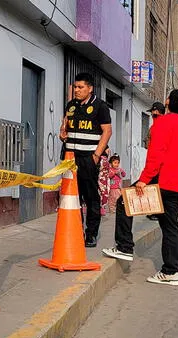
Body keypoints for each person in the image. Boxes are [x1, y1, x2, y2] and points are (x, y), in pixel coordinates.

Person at [102, 89, 178, 286]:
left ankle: (124, 247)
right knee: (170, 224)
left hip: (164, 179)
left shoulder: (162, 124)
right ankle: (171, 271)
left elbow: (156, 155)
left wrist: (144, 179)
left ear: (168, 102)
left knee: (124, 202)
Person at [59, 73, 112, 247]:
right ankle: (75, 231)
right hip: (69, 158)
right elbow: (65, 126)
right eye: (75, 87)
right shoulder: (71, 105)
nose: (77, 90)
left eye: (81, 87)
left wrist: (96, 155)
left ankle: (91, 234)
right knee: (72, 197)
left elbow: (107, 131)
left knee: (90, 198)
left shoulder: (100, 106)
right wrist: (63, 133)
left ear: (90, 88)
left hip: (88, 159)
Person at [145, 101, 166, 221]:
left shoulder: (158, 126)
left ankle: (156, 212)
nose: (153, 116)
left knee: (155, 187)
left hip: (158, 163)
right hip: (157, 162)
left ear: (157, 112)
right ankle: (155, 211)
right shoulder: (155, 126)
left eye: (153, 114)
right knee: (155, 187)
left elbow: (152, 146)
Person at [97, 148, 111, 216]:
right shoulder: (102, 159)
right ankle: (102, 208)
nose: (108, 151)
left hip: (104, 178)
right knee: (103, 193)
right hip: (102, 178)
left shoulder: (104, 159)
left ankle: (102, 208)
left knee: (103, 193)